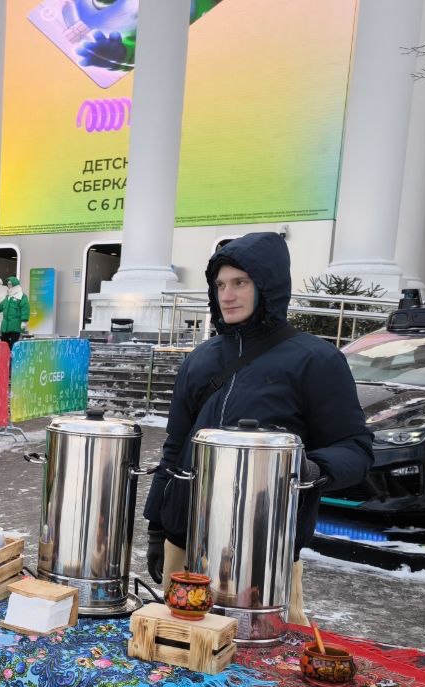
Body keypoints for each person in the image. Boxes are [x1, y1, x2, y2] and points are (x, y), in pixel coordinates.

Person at [142, 232, 372, 624]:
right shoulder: (201, 360)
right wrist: (157, 527)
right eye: (220, 285)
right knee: (182, 659)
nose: (226, 295)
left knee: (260, 673)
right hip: (185, 548)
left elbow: (356, 450)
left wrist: (308, 470)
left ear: (268, 285)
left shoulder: (315, 360)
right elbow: (175, 447)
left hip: (262, 556)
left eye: (240, 283)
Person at [0, 276, 29, 348]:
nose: (8, 285)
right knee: (4, 341)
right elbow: (3, 304)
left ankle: (13, 356)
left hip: (15, 325)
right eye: (8, 284)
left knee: (14, 343)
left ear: (15, 285)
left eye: (10, 284)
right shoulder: (8, 296)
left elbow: (25, 308)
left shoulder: (22, 296)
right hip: (6, 325)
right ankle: (7, 354)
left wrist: (24, 321)